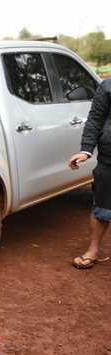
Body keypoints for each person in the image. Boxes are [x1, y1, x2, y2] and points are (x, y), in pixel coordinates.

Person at [69, 78, 111, 269]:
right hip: (108, 159)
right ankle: (93, 251)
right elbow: (95, 119)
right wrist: (86, 150)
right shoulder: (108, 86)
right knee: (102, 207)